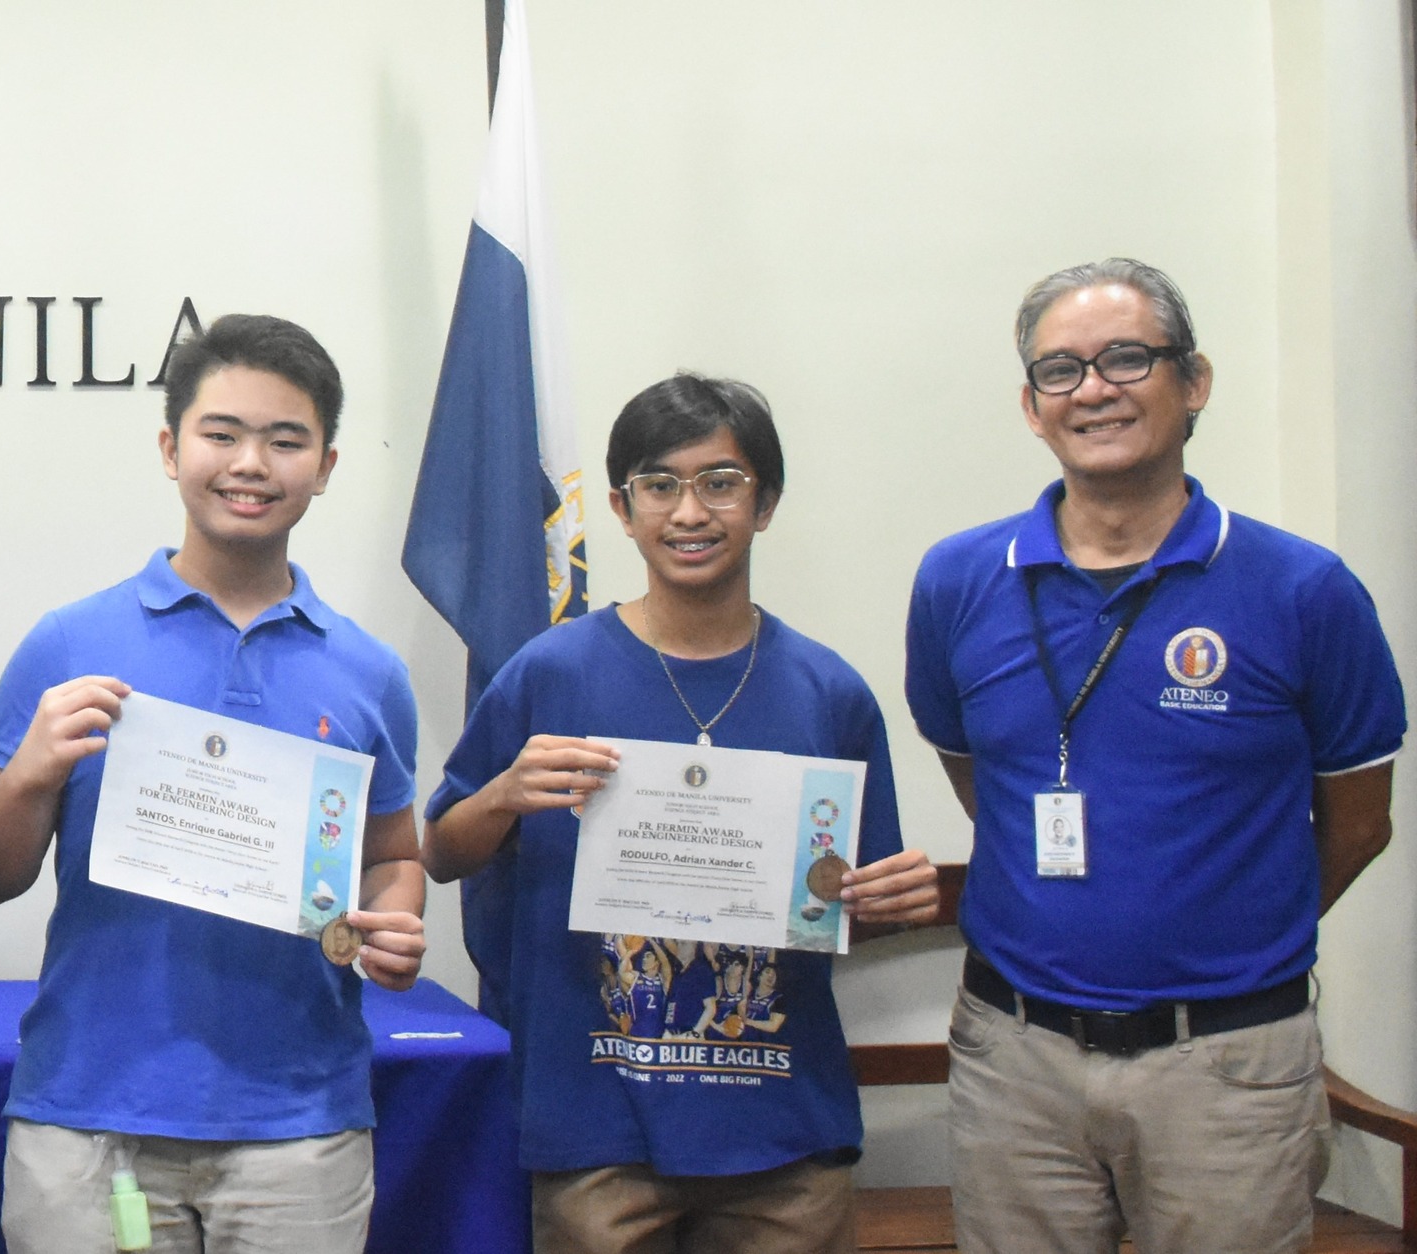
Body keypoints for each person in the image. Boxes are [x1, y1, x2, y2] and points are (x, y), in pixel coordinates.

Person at [905, 258, 1403, 1253]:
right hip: (1014, 1062)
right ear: (1031, 407)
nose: (1093, 389)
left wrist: (1227, 938)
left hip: (1227, 1067)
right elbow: (986, 784)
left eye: (1126, 358)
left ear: (1194, 381)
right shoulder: (956, 581)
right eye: (1060, 370)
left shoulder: (1304, 591)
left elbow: (1358, 824)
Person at [423, 375, 940, 1254]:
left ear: (765, 504)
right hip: (596, 1130)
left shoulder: (828, 692)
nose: (690, 511)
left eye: (721, 483)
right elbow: (439, 852)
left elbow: (852, 902)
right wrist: (505, 792)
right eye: (660, 485)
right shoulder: (550, 672)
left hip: (783, 1133)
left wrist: (895, 900)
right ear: (621, 510)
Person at [0, 313, 427, 1253]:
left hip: (300, 1126)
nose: (250, 463)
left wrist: (396, 921)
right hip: (90, 1114)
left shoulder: (369, 673)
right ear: (171, 450)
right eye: (222, 434)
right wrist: (31, 775)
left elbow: (392, 858)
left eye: (285, 440)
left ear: (326, 466)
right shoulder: (70, 643)